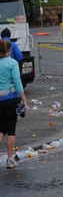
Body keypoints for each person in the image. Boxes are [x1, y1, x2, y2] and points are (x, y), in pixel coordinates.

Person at [0, 40, 27, 168]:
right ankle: (10, 159)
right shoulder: (13, 63)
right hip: (12, 98)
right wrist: (24, 99)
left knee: (1, 129)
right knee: (11, 130)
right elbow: (17, 82)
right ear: (9, 50)